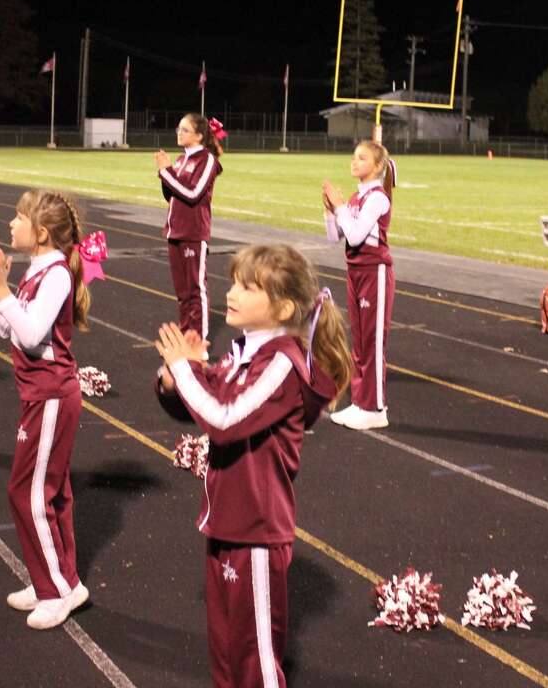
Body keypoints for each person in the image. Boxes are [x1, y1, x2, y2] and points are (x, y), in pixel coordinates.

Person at [155, 243, 350, 688]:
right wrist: (175, 378)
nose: (233, 293)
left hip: (256, 530)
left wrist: (185, 371)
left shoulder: (281, 362)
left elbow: (223, 421)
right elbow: (207, 400)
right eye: (234, 282)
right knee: (226, 649)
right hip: (229, 520)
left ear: (282, 307)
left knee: (254, 658)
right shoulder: (246, 351)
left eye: (248, 287)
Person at [0, 190, 98, 630]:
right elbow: (10, 329)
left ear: (41, 233)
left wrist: (2, 288)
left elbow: (31, 331)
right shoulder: (36, 270)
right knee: (50, 493)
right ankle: (62, 580)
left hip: (52, 396)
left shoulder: (56, 273)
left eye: (18, 218)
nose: (10, 224)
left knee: (27, 493)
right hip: (40, 396)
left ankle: (54, 589)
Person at [321, 140, 397, 430]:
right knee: (360, 342)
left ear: (377, 166)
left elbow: (355, 237)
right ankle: (361, 402)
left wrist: (340, 207)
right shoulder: (355, 197)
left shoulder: (378, 198)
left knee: (373, 342)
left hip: (374, 272)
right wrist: (330, 210)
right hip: (355, 271)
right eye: (353, 157)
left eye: (362, 158)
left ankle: (376, 407)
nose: (354, 162)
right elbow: (334, 237)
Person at [155, 114, 225, 349]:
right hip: (175, 231)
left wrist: (166, 173)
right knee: (182, 293)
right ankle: (187, 338)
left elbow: (193, 194)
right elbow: (171, 195)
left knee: (196, 290)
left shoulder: (208, 160)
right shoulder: (180, 159)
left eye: (184, 129)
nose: (179, 133)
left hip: (194, 232)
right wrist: (166, 173)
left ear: (198, 135)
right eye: (179, 128)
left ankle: (199, 345)